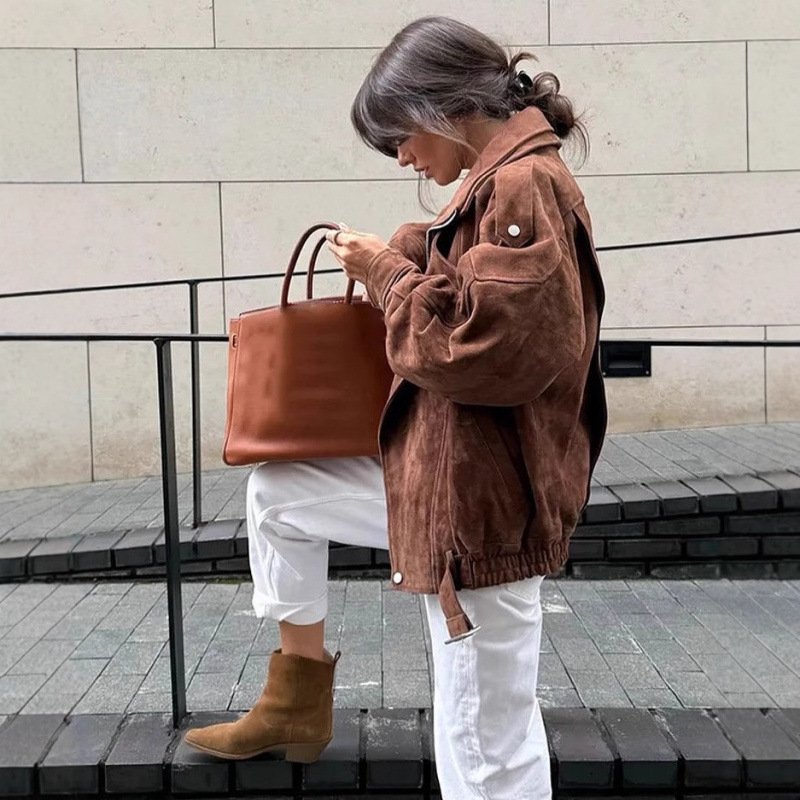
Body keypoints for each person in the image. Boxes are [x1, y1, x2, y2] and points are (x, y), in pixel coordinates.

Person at [184, 15, 607, 800]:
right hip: (451, 483)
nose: (403, 158)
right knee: (280, 492)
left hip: (484, 507)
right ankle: (295, 701)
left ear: (440, 104)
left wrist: (386, 273)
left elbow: (483, 351)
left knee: (486, 750)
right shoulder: (500, 182)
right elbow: (482, 298)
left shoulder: (523, 185)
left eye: (399, 138)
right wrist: (415, 248)